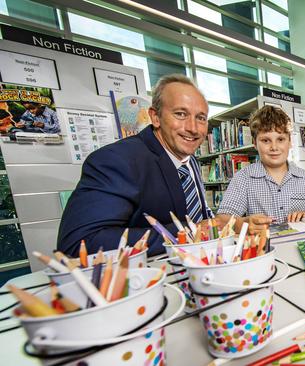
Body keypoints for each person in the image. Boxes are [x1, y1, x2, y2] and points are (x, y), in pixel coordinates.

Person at [57, 74, 213, 256]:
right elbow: (80, 242)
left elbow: (192, 214)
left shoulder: (189, 159)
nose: (193, 128)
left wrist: (219, 224)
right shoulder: (117, 160)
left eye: (201, 118)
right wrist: (189, 232)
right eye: (180, 114)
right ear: (155, 117)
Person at [216, 105, 305, 234]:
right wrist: (243, 224)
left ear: (290, 142)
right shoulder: (243, 178)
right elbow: (220, 221)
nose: (274, 147)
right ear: (255, 143)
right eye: (266, 140)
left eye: (280, 139)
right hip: (265, 248)